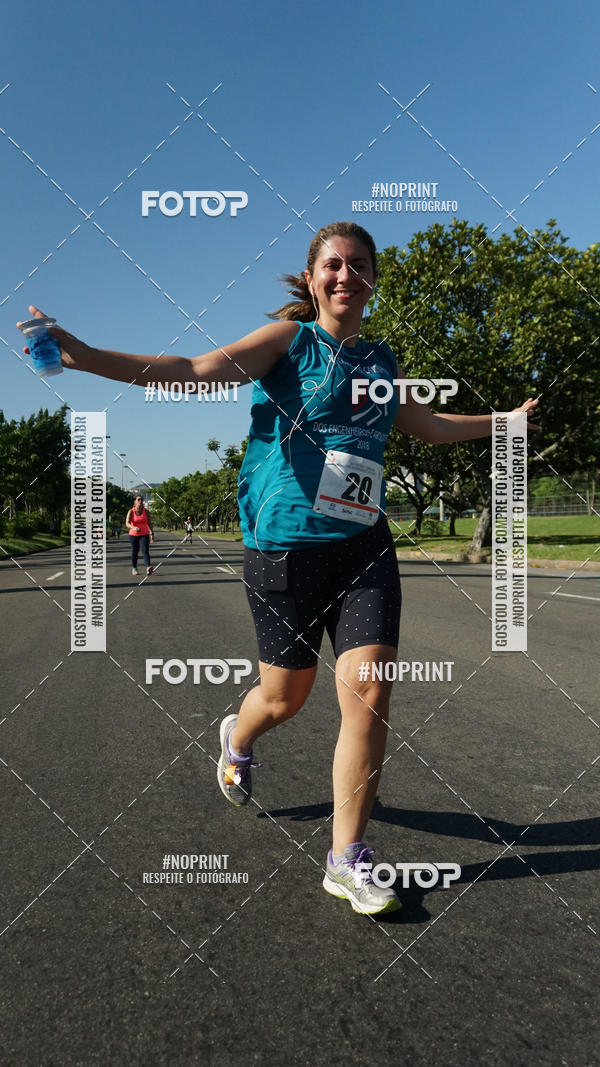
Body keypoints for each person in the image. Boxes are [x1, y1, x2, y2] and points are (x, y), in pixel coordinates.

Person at [17, 221, 538, 916]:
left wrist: (503, 423)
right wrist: (83, 357)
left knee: (369, 692)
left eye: (359, 264)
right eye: (333, 264)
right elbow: (195, 371)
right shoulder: (289, 343)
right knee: (285, 698)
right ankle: (238, 734)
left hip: (364, 548)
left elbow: (431, 426)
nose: (346, 275)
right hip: (284, 549)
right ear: (313, 277)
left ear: (373, 278)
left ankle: (347, 858)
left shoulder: (381, 360)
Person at [125, 495, 154, 576]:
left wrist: (152, 533)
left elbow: (149, 523)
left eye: (142, 499)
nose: (140, 501)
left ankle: (148, 567)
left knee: (145, 550)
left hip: (144, 534)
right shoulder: (131, 511)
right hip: (133, 535)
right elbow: (127, 523)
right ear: (135, 501)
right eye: (138, 499)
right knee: (135, 551)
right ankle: (134, 568)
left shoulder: (146, 512)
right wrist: (133, 527)